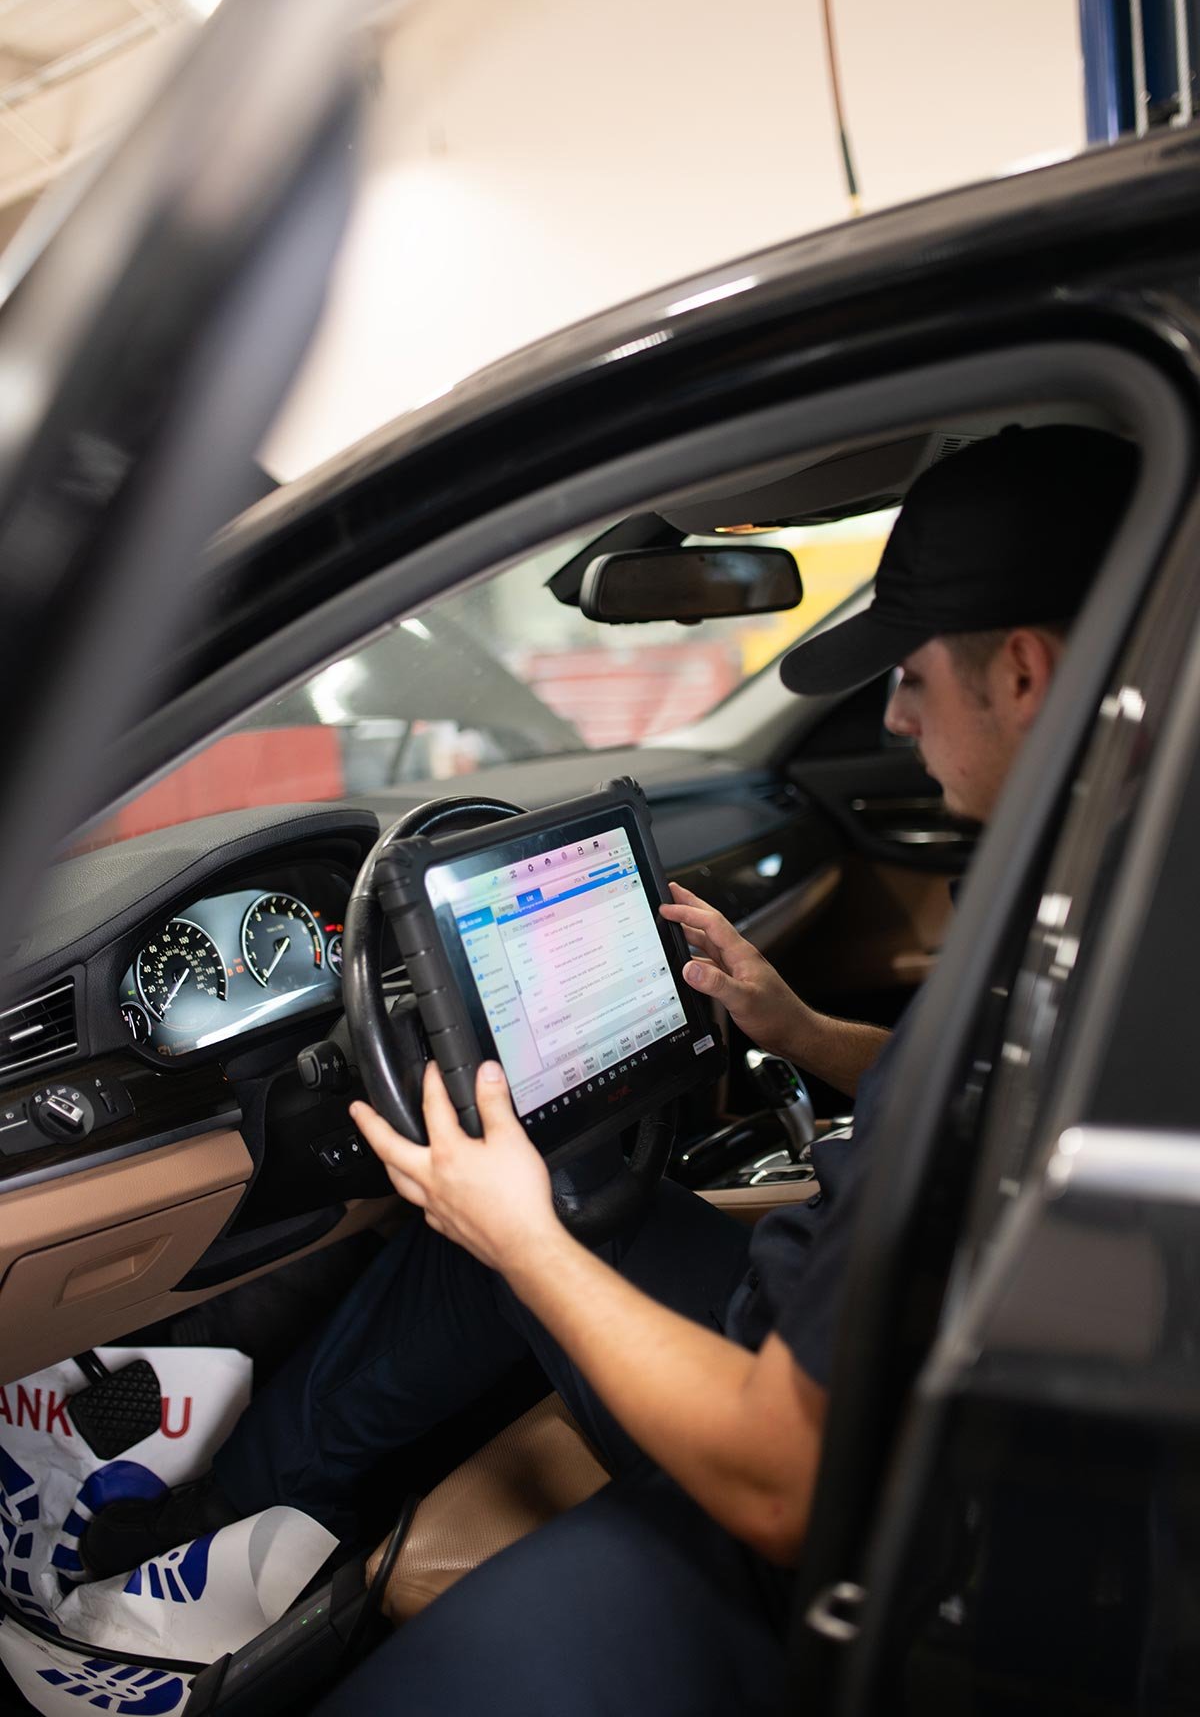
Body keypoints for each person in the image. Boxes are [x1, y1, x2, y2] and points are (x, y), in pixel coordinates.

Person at [84, 425, 1138, 1715]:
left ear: (1024, 675)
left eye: (911, 677)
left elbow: (784, 1484)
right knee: (564, 1192)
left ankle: (215, 1547)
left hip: (906, 1564)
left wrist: (526, 1240)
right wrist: (806, 1033)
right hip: (963, 1427)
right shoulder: (1125, 896)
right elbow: (1005, 1104)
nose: (897, 716)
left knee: (513, 1230)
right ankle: (242, 1524)